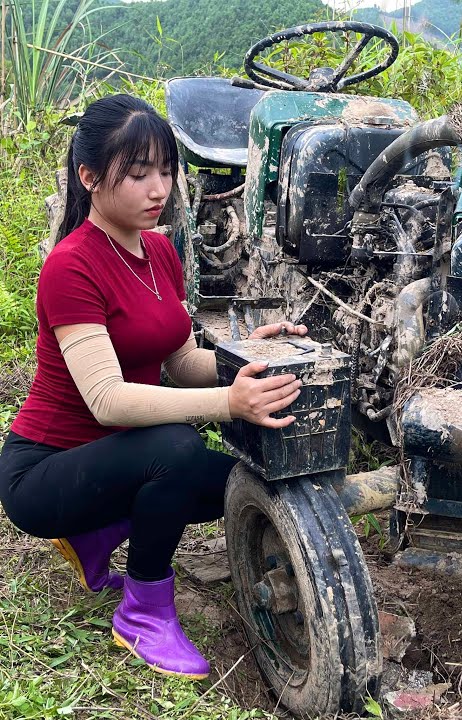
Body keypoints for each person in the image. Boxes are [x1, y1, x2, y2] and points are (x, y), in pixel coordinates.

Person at [0, 94, 309, 680]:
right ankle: (142, 611)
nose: (158, 188)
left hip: (117, 457)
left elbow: (180, 360)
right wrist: (225, 403)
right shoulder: (72, 266)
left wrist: (242, 360)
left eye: (165, 170)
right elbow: (107, 399)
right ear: (89, 177)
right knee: (176, 449)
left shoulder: (159, 250)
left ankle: (96, 534)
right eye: (138, 173)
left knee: (239, 484)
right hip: (45, 470)